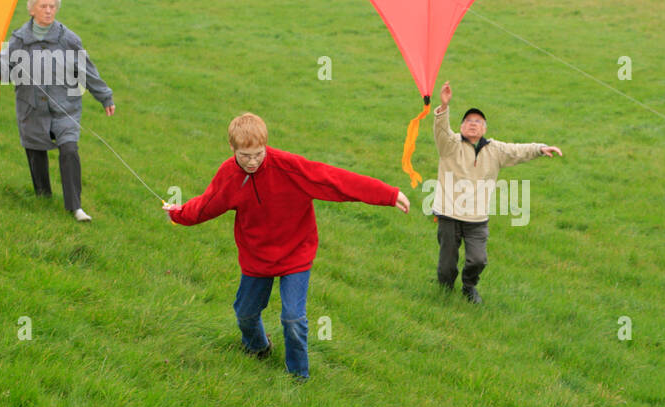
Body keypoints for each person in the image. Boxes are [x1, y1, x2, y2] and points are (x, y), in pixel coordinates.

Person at [164, 112, 409, 380]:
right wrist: (178, 213)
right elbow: (207, 204)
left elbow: (334, 180)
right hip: (257, 256)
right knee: (245, 314)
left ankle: (298, 376)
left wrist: (388, 194)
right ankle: (258, 348)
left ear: (266, 145)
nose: (253, 161)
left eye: (258, 154)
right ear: (232, 148)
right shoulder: (229, 174)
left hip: (295, 253)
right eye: (245, 156)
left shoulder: (290, 167)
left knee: (293, 318)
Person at [430, 81, 561, 304]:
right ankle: (444, 292)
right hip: (449, 215)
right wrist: (443, 107)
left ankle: (469, 287)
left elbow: (518, 150)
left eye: (478, 121)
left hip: (477, 219)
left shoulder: (495, 150)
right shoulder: (450, 145)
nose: (473, 124)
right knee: (446, 265)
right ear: (461, 127)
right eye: (468, 121)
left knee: (478, 260)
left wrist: (539, 148)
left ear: (485, 129)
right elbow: (441, 130)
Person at [0, 0, 113, 222]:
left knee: (69, 150)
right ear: (32, 10)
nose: (49, 10)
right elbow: (4, 74)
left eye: (52, 6)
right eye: (43, 6)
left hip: (65, 107)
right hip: (30, 107)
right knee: (35, 151)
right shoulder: (18, 39)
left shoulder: (69, 39)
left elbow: (87, 71)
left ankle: (75, 207)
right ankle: (43, 198)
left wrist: (105, 97)